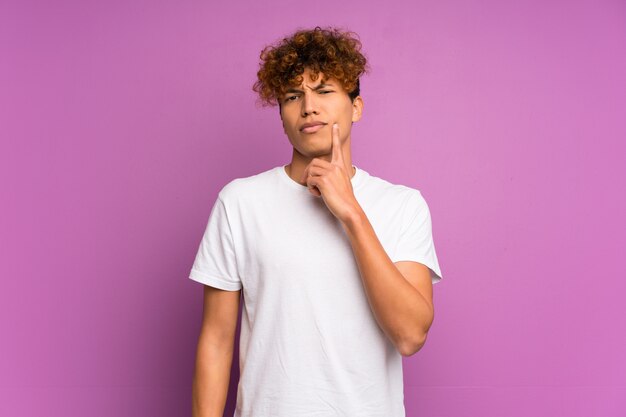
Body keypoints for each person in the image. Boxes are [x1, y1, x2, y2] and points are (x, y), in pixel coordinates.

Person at [190, 26, 443, 417]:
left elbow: (410, 335)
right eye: (293, 96)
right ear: (282, 117)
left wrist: (352, 214)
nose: (308, 106)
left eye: (324, 91)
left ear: (356, 107)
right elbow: (217, 341)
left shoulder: (402, 205)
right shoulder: (240, 202)